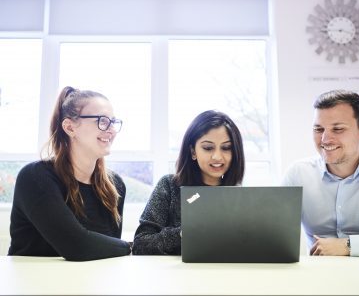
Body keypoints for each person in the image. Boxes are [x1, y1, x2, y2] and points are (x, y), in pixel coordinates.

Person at [8, 86, 132, 261]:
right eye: (102, 121)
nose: (111, 129)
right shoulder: (35, 177)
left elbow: (107, 248)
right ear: (70, 127)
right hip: (35, 285)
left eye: (113, 122)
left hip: (90, 284)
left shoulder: (115, 186)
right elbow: (77, 246)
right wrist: (131, 246)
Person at [283, 90, 359, 258]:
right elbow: (275, 237)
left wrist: (349, 245)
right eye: (318, 129)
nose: (325, 139)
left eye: (337, 129)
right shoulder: (298, 174)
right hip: (319, 279)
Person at [133, 110, 245, 255]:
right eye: (208, 148)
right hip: (178, 276)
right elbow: (141, 244)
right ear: (193, 151)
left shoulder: (239, 195)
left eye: (226, 148)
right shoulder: (169, 186)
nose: (217, 156)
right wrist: (184, 233)